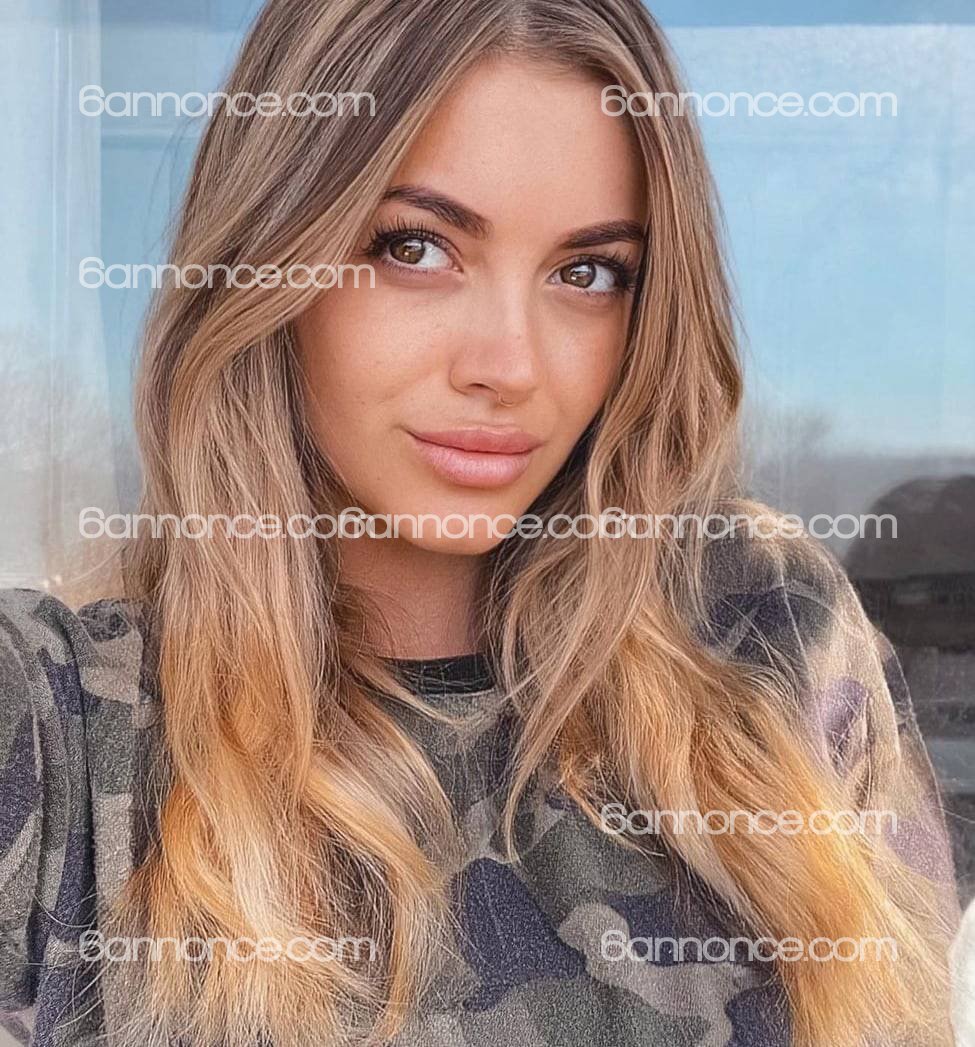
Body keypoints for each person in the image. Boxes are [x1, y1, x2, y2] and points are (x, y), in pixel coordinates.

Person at [0, 1, 960, 1045]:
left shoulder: (766, 630)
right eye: (416, 247)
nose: (509, 365)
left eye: (587, 273)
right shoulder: (64, 736)